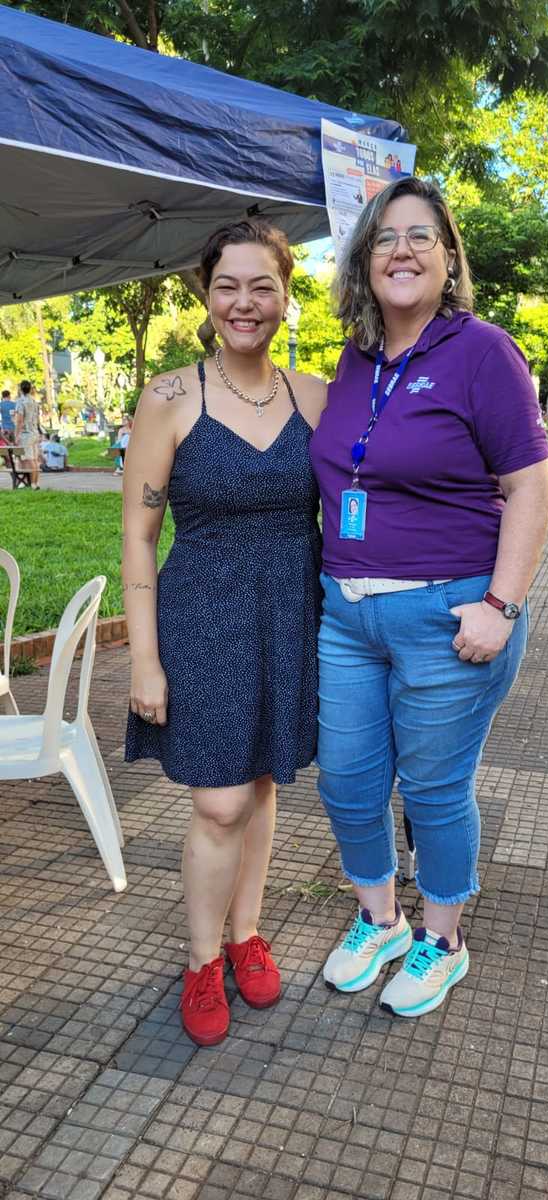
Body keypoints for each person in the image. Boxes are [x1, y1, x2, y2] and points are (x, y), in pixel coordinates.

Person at [309, 176, 548, 1018]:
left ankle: (441, 940)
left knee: (432, 789)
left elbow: (530, 487)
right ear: (363, 260)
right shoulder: (352, 359)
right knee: (344, 780)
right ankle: (377, 918)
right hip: (345, 616)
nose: (401, 251)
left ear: (448, 257)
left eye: (420, 236)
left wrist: (502, 605)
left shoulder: (482, 350)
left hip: (447, 615)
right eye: (384, 238)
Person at [123, 219, 326, 1046]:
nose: (244, 304)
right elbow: (139, 533)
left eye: (262, 286)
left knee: (266, 783)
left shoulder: (316, 394)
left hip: (290, 614)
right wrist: (142, 657)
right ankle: (202, 958)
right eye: (227, 287)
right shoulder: (168, 398)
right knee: (218, 802)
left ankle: (247, 934)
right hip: (200, 618)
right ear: (205, 297)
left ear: (284, 295)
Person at [13, 379, 41, 489]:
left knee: (27, 459)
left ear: (20, 389)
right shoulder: (34, 401)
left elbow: (19, 421)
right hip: (34, 432)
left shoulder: (20, 402)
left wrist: (16, 435)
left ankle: (32, 484)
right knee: (33, 459)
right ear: (30, 389)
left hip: (26, 434)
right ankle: (34, 482)